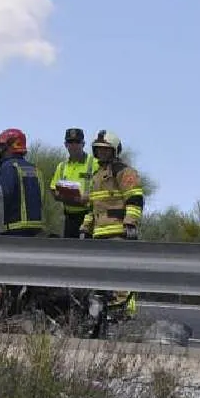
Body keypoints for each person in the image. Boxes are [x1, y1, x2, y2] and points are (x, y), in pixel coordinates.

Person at [79, 129, 144, 317]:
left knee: (121, 275)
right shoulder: (98, 175)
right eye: (98, 149)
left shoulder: (124, 172)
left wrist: (130, 223)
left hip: (118, 233)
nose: (102, 153)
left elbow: (135, 199)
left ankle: (125, 313)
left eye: (106, 149)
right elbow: (94, 206)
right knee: (101, 276)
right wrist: (85, 227)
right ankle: (104, 314)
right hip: (99, 234)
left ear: (115, 151)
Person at [0, 128, 45, 236]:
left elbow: (3, 196)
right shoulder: (35, 169)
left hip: (13, 228)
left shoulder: (8, 167)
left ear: (10, 147)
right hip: (35, 228)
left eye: (1, 146)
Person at [50, 127, 96, 238]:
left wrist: (88, 198)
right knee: (70, 252)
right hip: (69, 217)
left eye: (77, 142)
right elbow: (53, 189)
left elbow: (104, 189)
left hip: (88, 217)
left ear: (83, 144)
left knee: (88, 252)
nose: (73, 145)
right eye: (70, 142)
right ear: (65, 144)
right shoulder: (62, 166)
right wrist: (63, 196)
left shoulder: (94, 163)